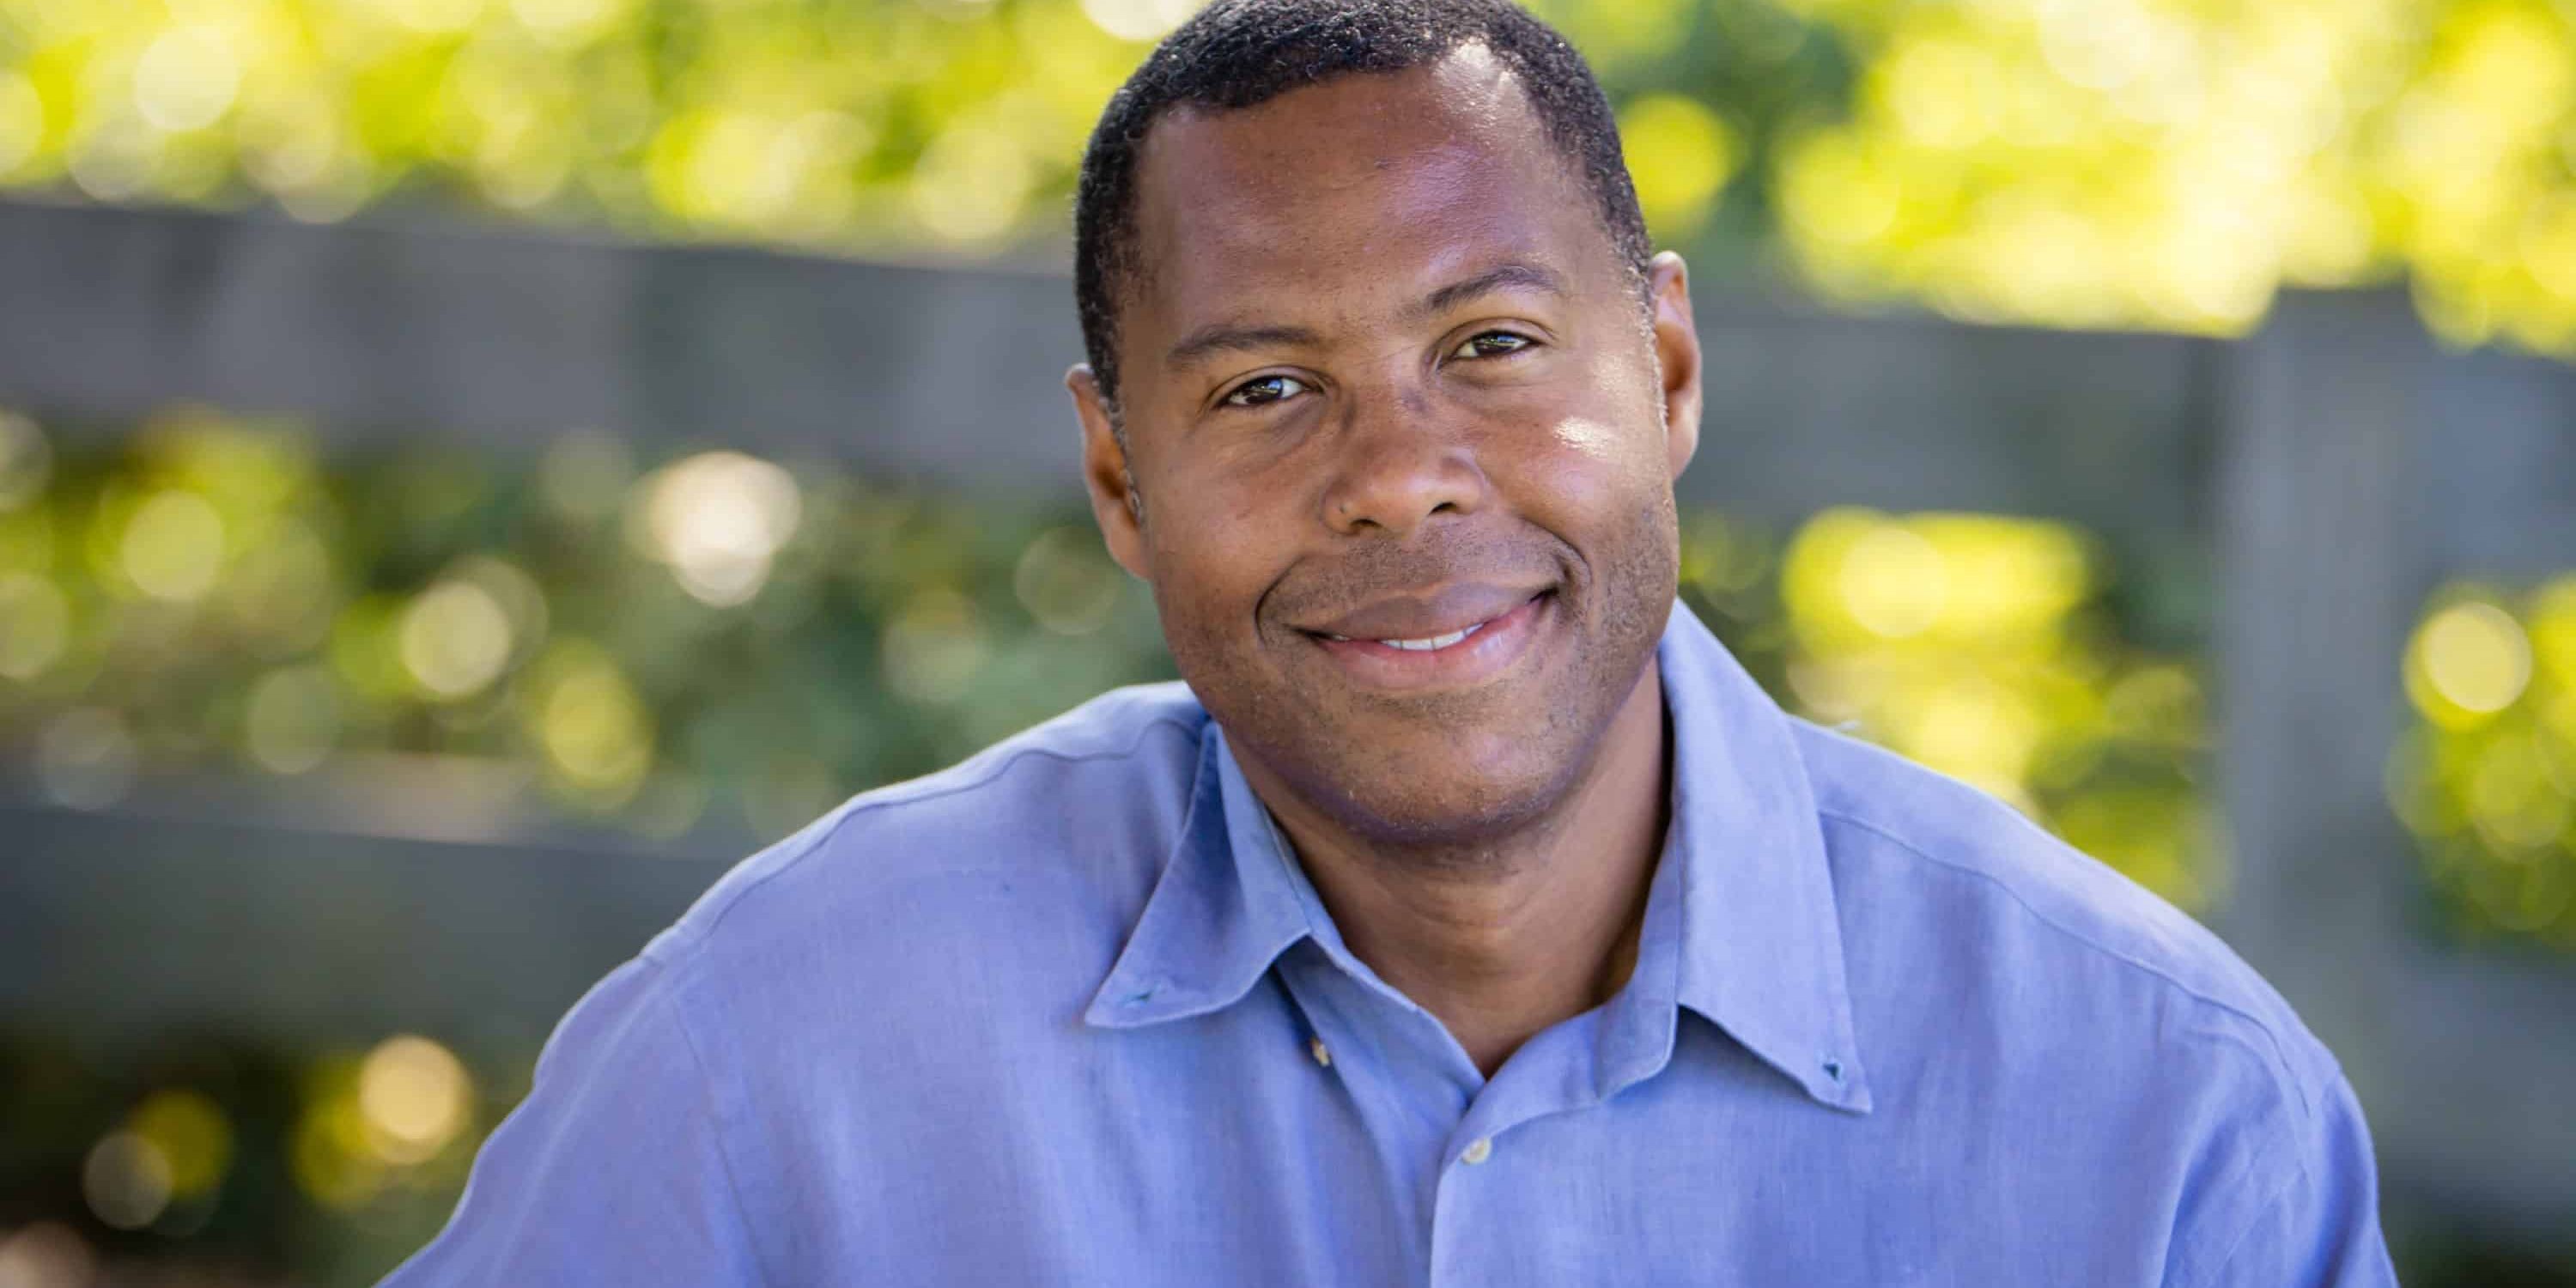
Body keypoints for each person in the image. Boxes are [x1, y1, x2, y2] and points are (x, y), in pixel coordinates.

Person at [383, 0, 2397, 1283]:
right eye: (1265, 389)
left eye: (1492, 344)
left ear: (1668, 370)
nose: (1399, 480)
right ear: (1118, 475)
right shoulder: (784, 1048)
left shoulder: (2168, 1121)